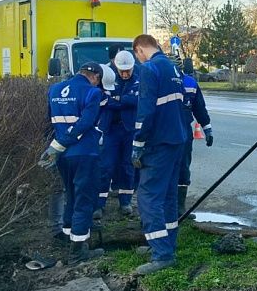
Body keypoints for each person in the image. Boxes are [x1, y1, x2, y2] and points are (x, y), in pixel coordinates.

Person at [130, 34, 187, 275]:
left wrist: (138, 143)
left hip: (158, 143)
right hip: (177, 140)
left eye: (136, 56)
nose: (138, 60)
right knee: (167, 197)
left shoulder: (149, 69)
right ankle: (166, 244)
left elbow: (146, 110)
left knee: (148, 197)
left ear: (139, 50)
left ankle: (161, 254)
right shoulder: (173, 68)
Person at [39, 62, 106, 263]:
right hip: (84, 153)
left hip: (62, 155)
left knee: (70, 194)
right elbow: (85, 123)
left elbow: (48, 122)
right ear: (95, 77)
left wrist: (54, 147)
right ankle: (78, 251)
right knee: (84, 198)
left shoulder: (55, 89)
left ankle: (69, 236)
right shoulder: (92, 93)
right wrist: (61, 142)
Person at [94, 52, 139, 218]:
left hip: (129, 129)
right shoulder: (108, 75)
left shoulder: (140, 78)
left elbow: (137, 100)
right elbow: (102, 100)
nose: (125, 74)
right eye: (122, 71)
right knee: (106, 166)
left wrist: (116, 99)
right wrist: (122, 100)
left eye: (128, 70)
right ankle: (99, 204)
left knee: (128, 166)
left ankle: (125, 202)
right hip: (110, 128)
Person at [177, 57, 213, 218]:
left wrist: (207, 129)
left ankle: (179, 207)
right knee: (165, 169)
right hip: (163, 132)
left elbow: (199, 107)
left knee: (183, 169)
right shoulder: (158, 82)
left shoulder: (190, 83)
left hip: (184, 131)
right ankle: (166, 207)